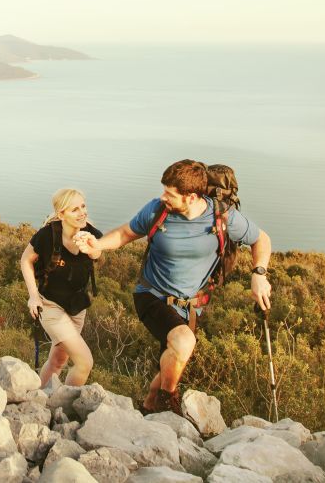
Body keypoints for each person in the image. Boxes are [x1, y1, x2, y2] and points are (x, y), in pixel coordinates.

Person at [81, 159, 272, 414]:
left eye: (170, 194)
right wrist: (98, 245)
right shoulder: (157, 210)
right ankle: (167, 402)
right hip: (152, 295)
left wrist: (259, 273)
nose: (163, 197)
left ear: (191, 197)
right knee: (183, 342)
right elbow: (126, 233)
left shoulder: (223, 217)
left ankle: (149, 403)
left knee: (174, 360)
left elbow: (262, 239)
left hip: (191, 306)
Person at [19, 188, 103, 387]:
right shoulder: (47, 236)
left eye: (83, 206)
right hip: (50, 305)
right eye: (75, 209)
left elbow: (97, 255)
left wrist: (90, 247)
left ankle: (37, 397)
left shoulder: (90, 232)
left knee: (59, 359)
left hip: (77, 307)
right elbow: (25, 260)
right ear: (61, 215)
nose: (82, 212)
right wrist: (33, 296)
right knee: (84, 362)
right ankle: (64, 408)